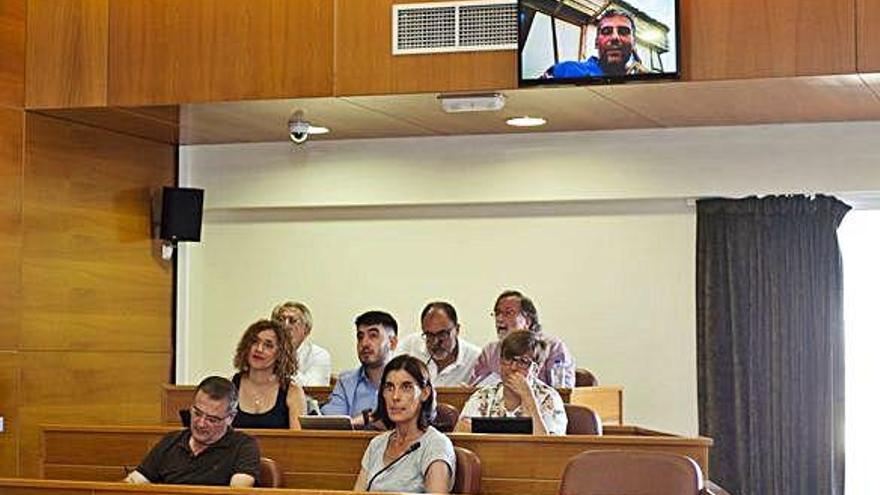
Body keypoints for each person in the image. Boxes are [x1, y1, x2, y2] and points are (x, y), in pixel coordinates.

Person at [124, 376, 260, 486]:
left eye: (212, 419)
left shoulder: (243, 446)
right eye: (197, 413)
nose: (200, 424)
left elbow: (238, 491)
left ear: (230, 417)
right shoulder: (171, 441)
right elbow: (134, 482)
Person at [353, 355, 456, 493]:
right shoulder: (377, 444)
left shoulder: (436, 444)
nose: (395, 397)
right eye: (389, 387)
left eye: (406, 387)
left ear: (425, 393)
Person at [456, 330, 567, 435]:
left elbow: (548, 447)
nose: (513, 367)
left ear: (536, 370)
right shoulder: (484, 395)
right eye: (508, 359)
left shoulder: (549, 398)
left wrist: (528, 397)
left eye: (523, 362)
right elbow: (461, 433)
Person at [471, 290, 576, 387]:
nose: (499, 319)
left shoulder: (553, 347)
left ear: (527, 321)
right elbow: (475, 386)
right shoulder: (490, 351)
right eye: (497, 313)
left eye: (508, 313)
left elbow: (563, 391)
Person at [322, 310, 398, 428]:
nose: (364, 343)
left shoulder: (408, 379)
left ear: (392, 343)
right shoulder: (346, 381)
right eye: (360, 337)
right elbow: (332, 424)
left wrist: (364, 420)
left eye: (373, 335)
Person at [231, 319, 306, 429]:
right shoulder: (229, 386)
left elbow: (298, 440)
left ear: (281, 354)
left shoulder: (293, 392)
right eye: (254, 342)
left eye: (268, 345)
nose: (259, 349)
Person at [395, 301, 481, 387]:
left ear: (457, 330)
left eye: (442, 334)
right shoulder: (409, 347)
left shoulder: (477, 360)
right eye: (429, 335)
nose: (435, 342)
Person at [545, 9, 648, 78]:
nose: (615, 37)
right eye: (607, 31)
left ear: (633, 44)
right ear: (596, 43)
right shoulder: (564, 71)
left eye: (624, 32)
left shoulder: (645, 81)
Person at [272, 301, 332, 386]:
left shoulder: (319, 355)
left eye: (292, 321)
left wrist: (285, 361)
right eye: (280, 320)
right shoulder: (264, 352)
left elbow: (314, 388)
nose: (285, 326)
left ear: (306, 330)